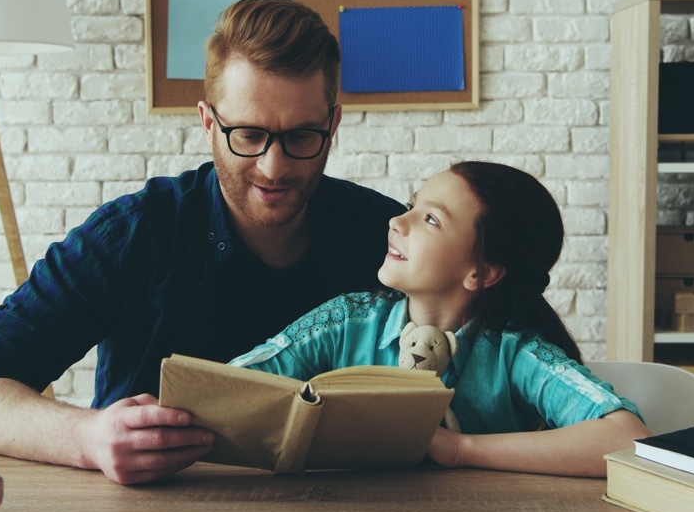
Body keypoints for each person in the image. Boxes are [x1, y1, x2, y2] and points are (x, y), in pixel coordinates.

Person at [0, 0, 404, 484]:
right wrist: (87, 438)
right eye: (248, 135)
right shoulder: (131, 236)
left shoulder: (385, 235)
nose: (273, 167)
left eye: (301, 137)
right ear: (209, 123)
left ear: (333, 124)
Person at [228, 161, 650, 477]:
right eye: (412, 206)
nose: (396, 221)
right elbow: (227, 388)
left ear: (482, 272)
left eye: (430, 218)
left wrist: (461, 449)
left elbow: (628, 440)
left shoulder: (516, 353)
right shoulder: (344, 321)